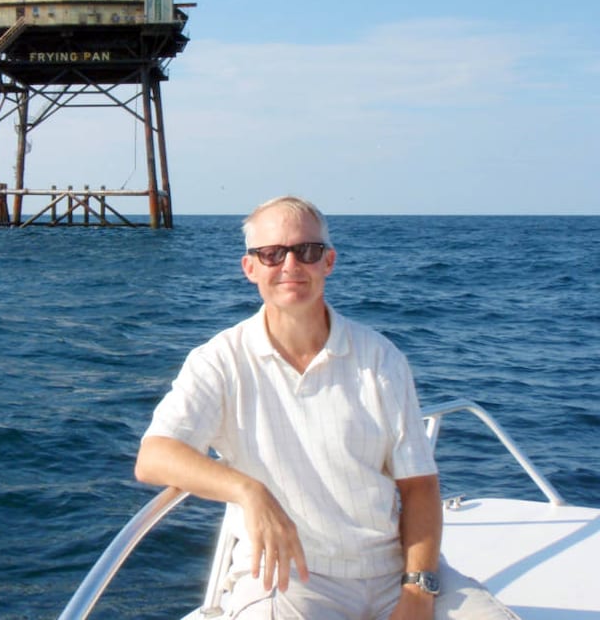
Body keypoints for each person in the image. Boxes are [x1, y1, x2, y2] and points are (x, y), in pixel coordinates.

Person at [135, 196, 518, 619]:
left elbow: (419, 486)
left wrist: (417, 591)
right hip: (290, 578)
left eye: (307, 251)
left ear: (328, 262)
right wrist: (248, 490)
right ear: (250, 268)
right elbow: (154, 457)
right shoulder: (220, 360)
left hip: (394, 571)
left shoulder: (380, 358)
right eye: (271, 253)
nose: (290, 265)